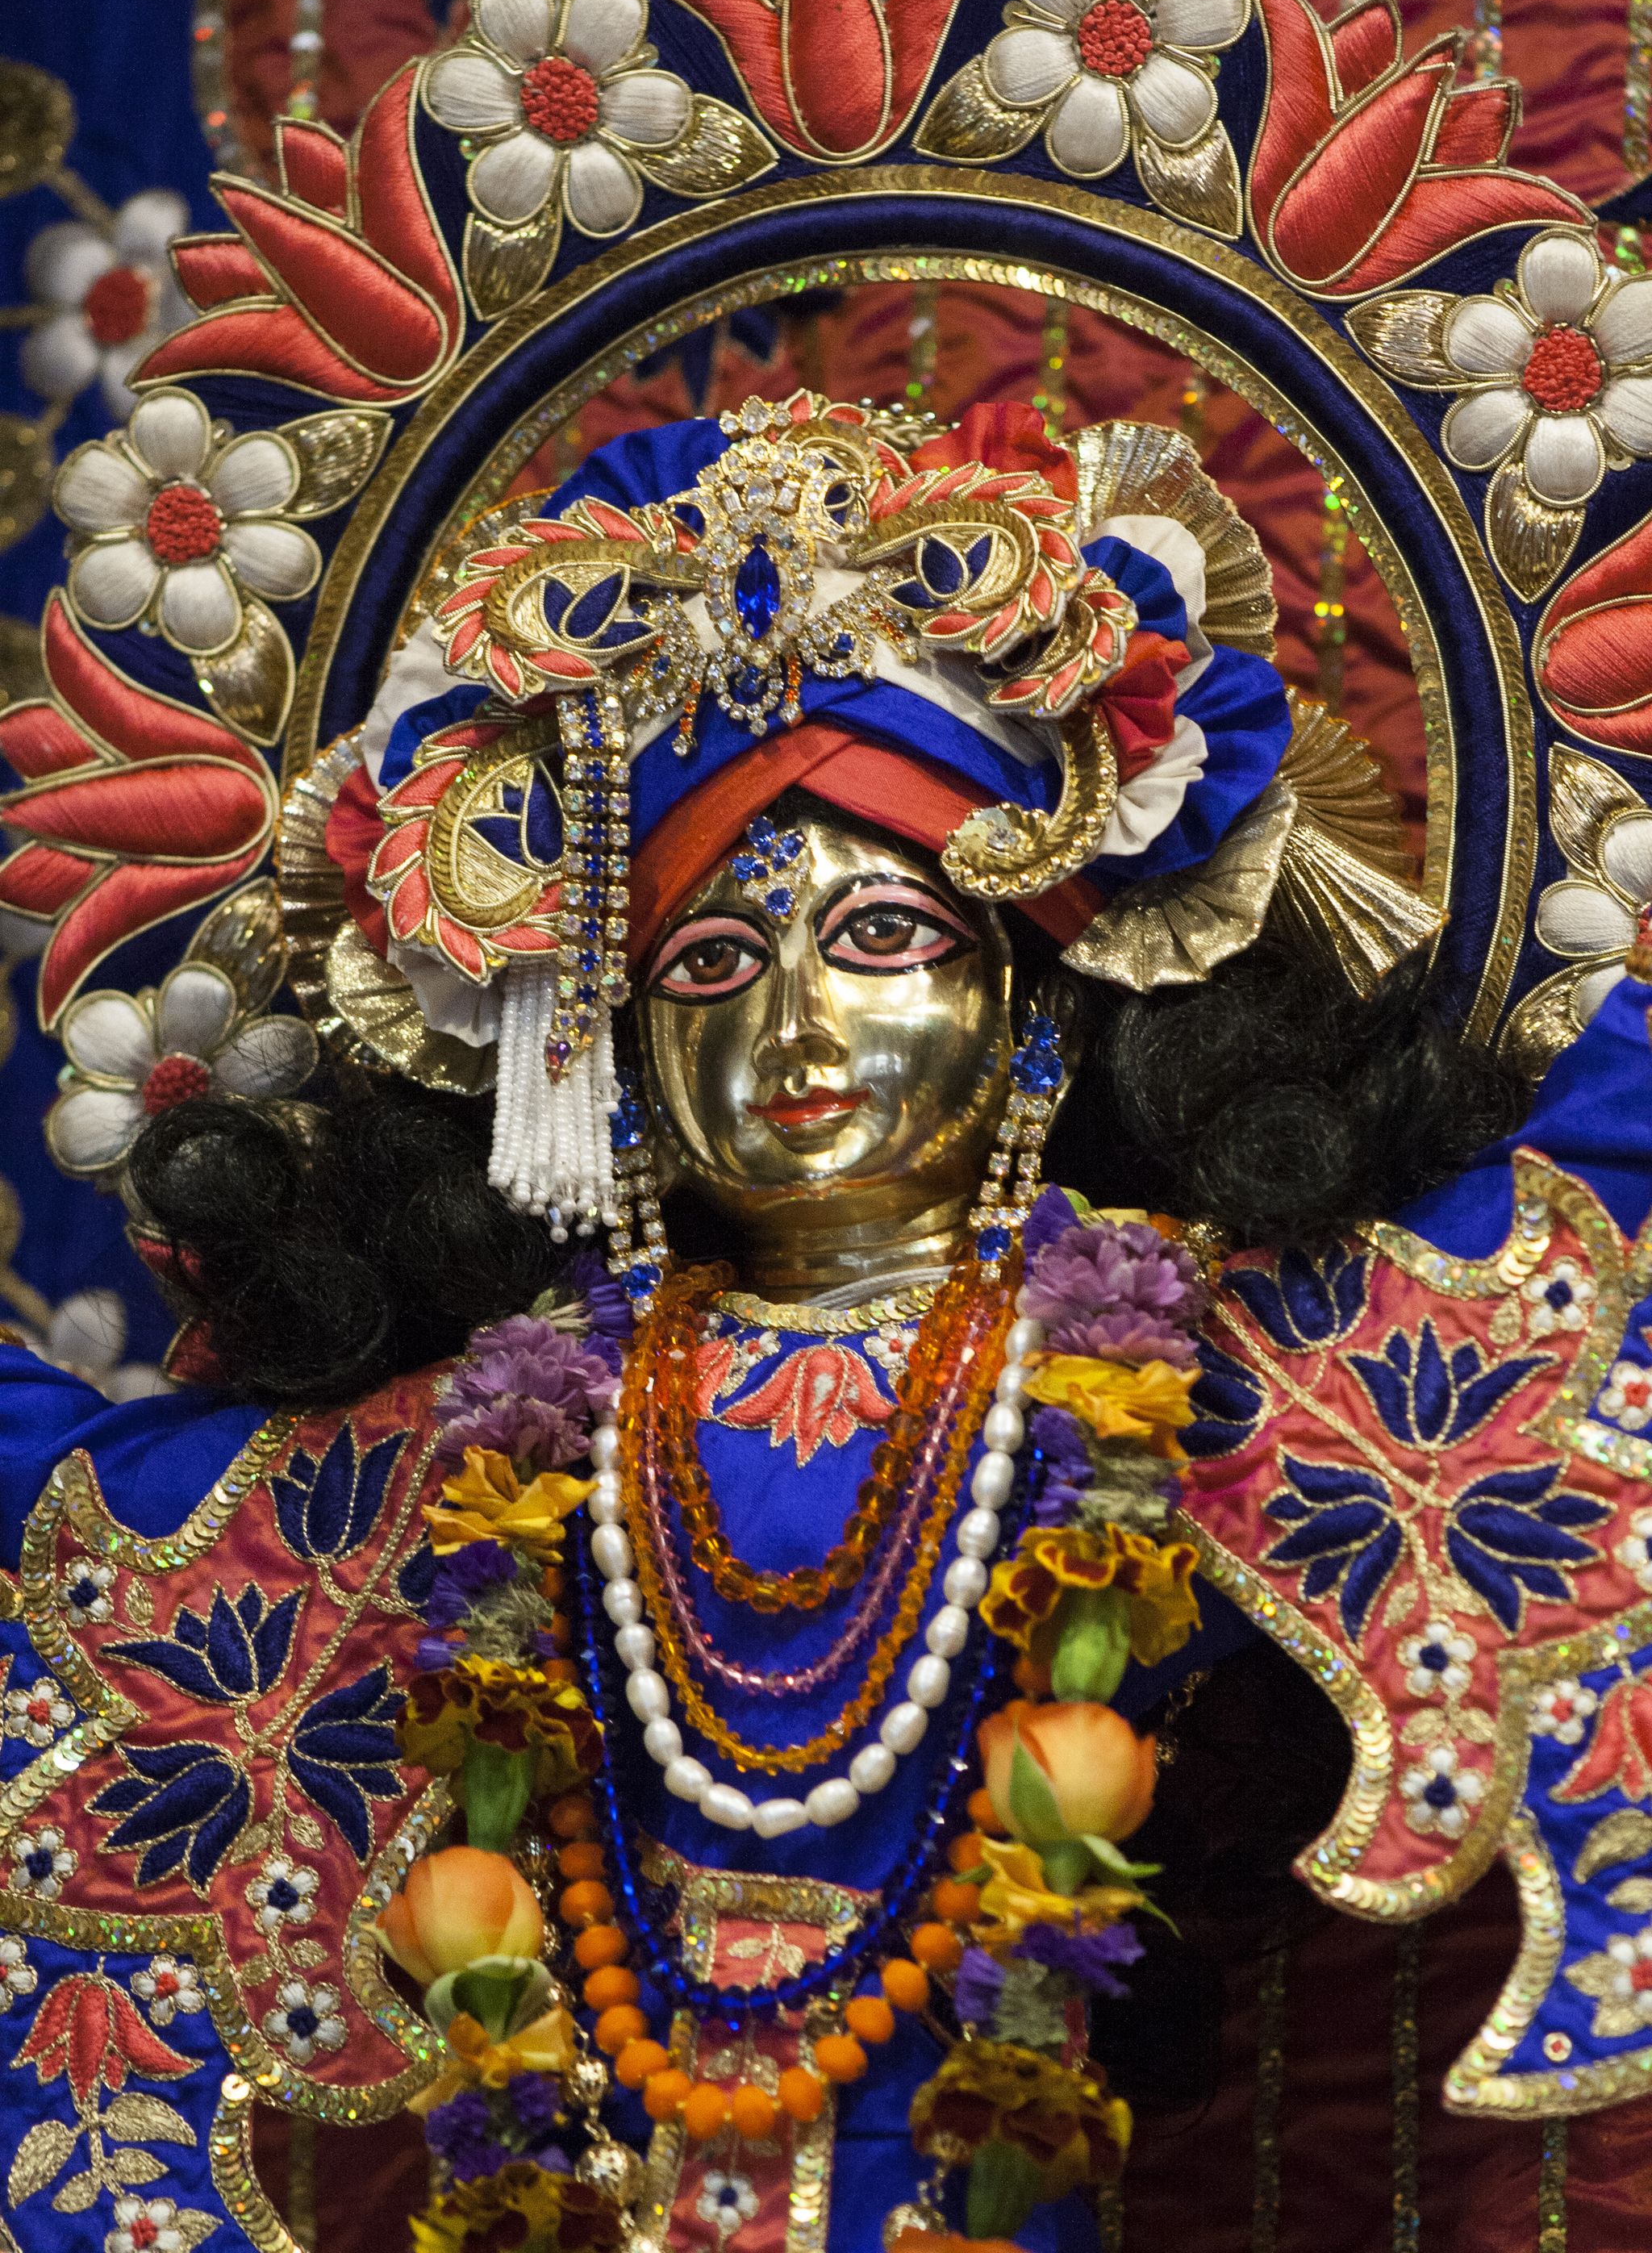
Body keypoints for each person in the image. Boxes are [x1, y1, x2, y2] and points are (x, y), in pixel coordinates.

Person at [12, 374, 1652, 2253]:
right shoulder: (501, 1432)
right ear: (610, 1064)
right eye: (712, 962)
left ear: (1032, 1009)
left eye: (880, 940)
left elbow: (1579, 1235)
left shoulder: (1185, 1372)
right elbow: (86, 1530)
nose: (796, 1027)